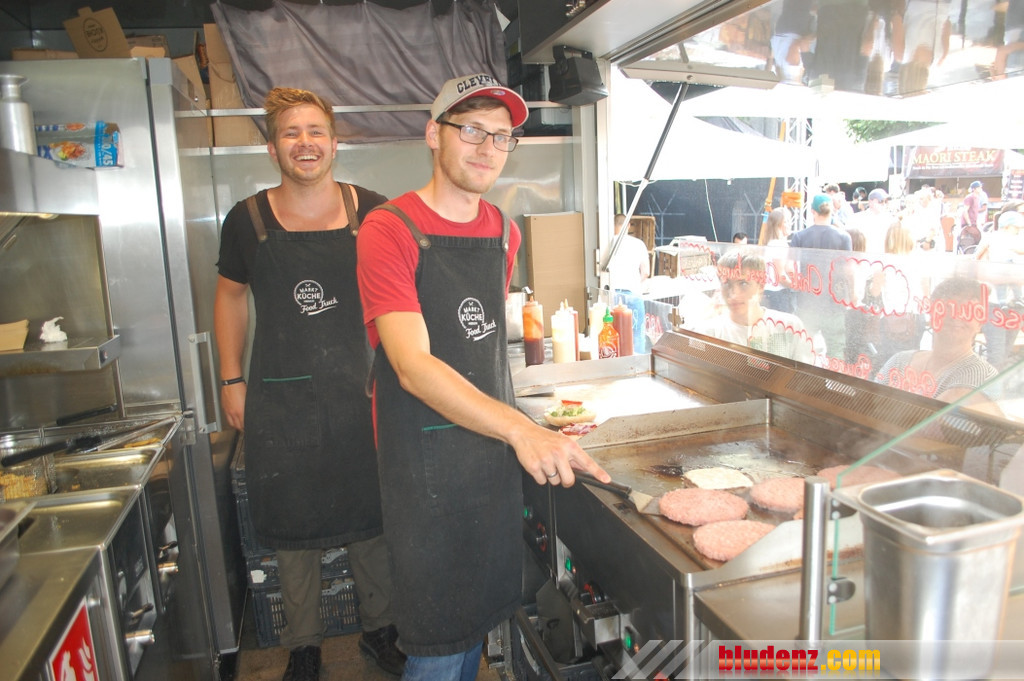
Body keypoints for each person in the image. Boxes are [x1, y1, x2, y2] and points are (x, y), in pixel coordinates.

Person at [355, 74, 610, 681]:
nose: (487, 147)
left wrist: (519, 426)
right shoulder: (389, 229)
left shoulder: (502, 229)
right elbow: (412, 366)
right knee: (439, 641)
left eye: (501, 136)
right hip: (425, 471)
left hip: (488, 462)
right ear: (433, 135)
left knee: (474, 628)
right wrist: (523, 431)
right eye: (470, 129)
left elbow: (482, 344)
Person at [214, 87, 404, 681]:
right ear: (273, 149)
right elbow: (229, 298)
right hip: (282, 397)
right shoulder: (247, 220)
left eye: (315, 131)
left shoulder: (374, 212)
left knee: (371, 516)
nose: (305, 143)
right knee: (292, 524)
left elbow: (404, 292)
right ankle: (303, 646)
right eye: (291, 133)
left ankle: (381, 630)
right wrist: (230, 379)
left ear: (334, 142)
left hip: (362, 391)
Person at [875, 277, 998, 408]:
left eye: (968, 310)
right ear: (932, 313)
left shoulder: (983, 376)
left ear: (980, 323)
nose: (956, 315)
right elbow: (869, 405)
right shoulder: (899, 361)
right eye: (948, 307)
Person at [689, 249, 815, 363]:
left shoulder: (789, 327)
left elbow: (805, 378)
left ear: (761, 286)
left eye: (743, 283)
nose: (734, 294)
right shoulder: (709, 332)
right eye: (726, 284)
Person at [789, 194, 853, 361]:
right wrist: (852, 296)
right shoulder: (843, 237)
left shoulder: (799, 236)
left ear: (812, 211)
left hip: (807, 303)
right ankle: (832, 379)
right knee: (836, 353)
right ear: (832, 211)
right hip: (834, 303)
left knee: (803, 351)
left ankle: (803, 378)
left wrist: (796, 285)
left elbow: (789, 268)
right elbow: (848, 271)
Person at [975, 210, 1024, 369]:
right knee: (997, 354)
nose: (1019, 230)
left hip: (1015, 304)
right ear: (1007, 226)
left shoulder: (1019, 242)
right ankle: (992, 384)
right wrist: (1009, 277)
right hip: (994, 303)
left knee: (1005, 352)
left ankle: (998, 382)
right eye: (1017, 227)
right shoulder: (991, 240)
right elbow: (979, 269)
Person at [609, 213, 651, 352]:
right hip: (633, 294)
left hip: (612, 294)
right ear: (628, 225)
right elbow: (645, 272)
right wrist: (636, 283)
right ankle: (638, 362)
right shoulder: (638, 244)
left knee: (614, 333)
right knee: (637, 335)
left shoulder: (608, 243)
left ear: (613, 226)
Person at [758, 206, 795, 313]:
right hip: (777, 295)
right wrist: (798, 287)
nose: (790, 224)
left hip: (771, 293)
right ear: (778, 224)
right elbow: (780, 276)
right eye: (786, 221)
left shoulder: (771, 243)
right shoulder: (778, 244)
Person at [848, 187, 892, 252]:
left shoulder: (890, 219)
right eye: (882, 201)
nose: (884, 204)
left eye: (886, 202)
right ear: (871, 202)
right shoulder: (857, 219)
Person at [958, 180, 989, 253]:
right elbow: (965, 211)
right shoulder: (969, 197)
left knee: (975, 241)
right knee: (966, 241)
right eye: (978, 187)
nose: (980, 189)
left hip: (974, 223)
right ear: (973, 189)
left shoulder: (977, 198)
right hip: (967, 224)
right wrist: (969, 223)